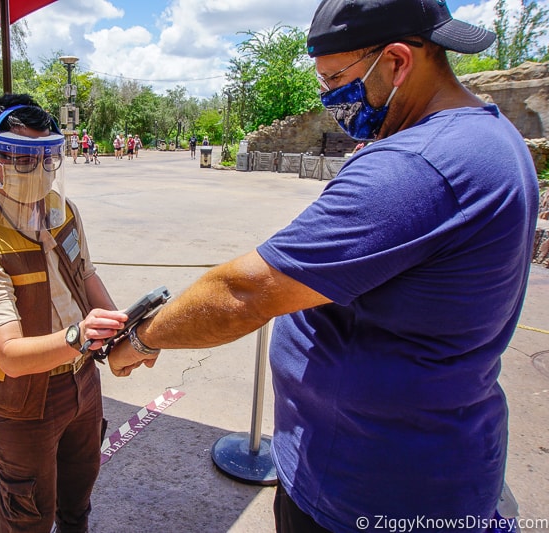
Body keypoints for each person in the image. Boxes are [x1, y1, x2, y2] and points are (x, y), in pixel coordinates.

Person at [108, 0, 538, 531]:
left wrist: (142, 338)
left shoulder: (418, 164)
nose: (328, 96)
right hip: (410, 456)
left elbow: (247, 291)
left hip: (369, 490)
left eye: (335, 78)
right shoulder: (483, 136)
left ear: (398, 62)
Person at [0, 93, 127, 533]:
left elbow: (86, 277)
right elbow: (9, 354)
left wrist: (126, 330)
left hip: (82, 379)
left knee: (79, 492)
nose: (40, 171)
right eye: (25, 159)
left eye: (49, 157)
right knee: (28, 513)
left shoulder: (63, 213)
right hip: (20, 401)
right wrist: (79, 336)